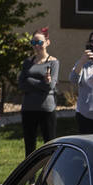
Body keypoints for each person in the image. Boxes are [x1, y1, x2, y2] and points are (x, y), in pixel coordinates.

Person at [17, 27, 59, 156]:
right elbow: (21, 85)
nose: (37, 46)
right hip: (28, 108)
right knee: (29, 146)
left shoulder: (53, 62)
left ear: (47, 42)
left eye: (40, 42)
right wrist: (41, 83)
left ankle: (50, 173)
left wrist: (30, 80)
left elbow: (50, 86)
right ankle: (30, 176)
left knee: (49, 144)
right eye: (34, 43)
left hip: (46, 108)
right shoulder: (27, 62)